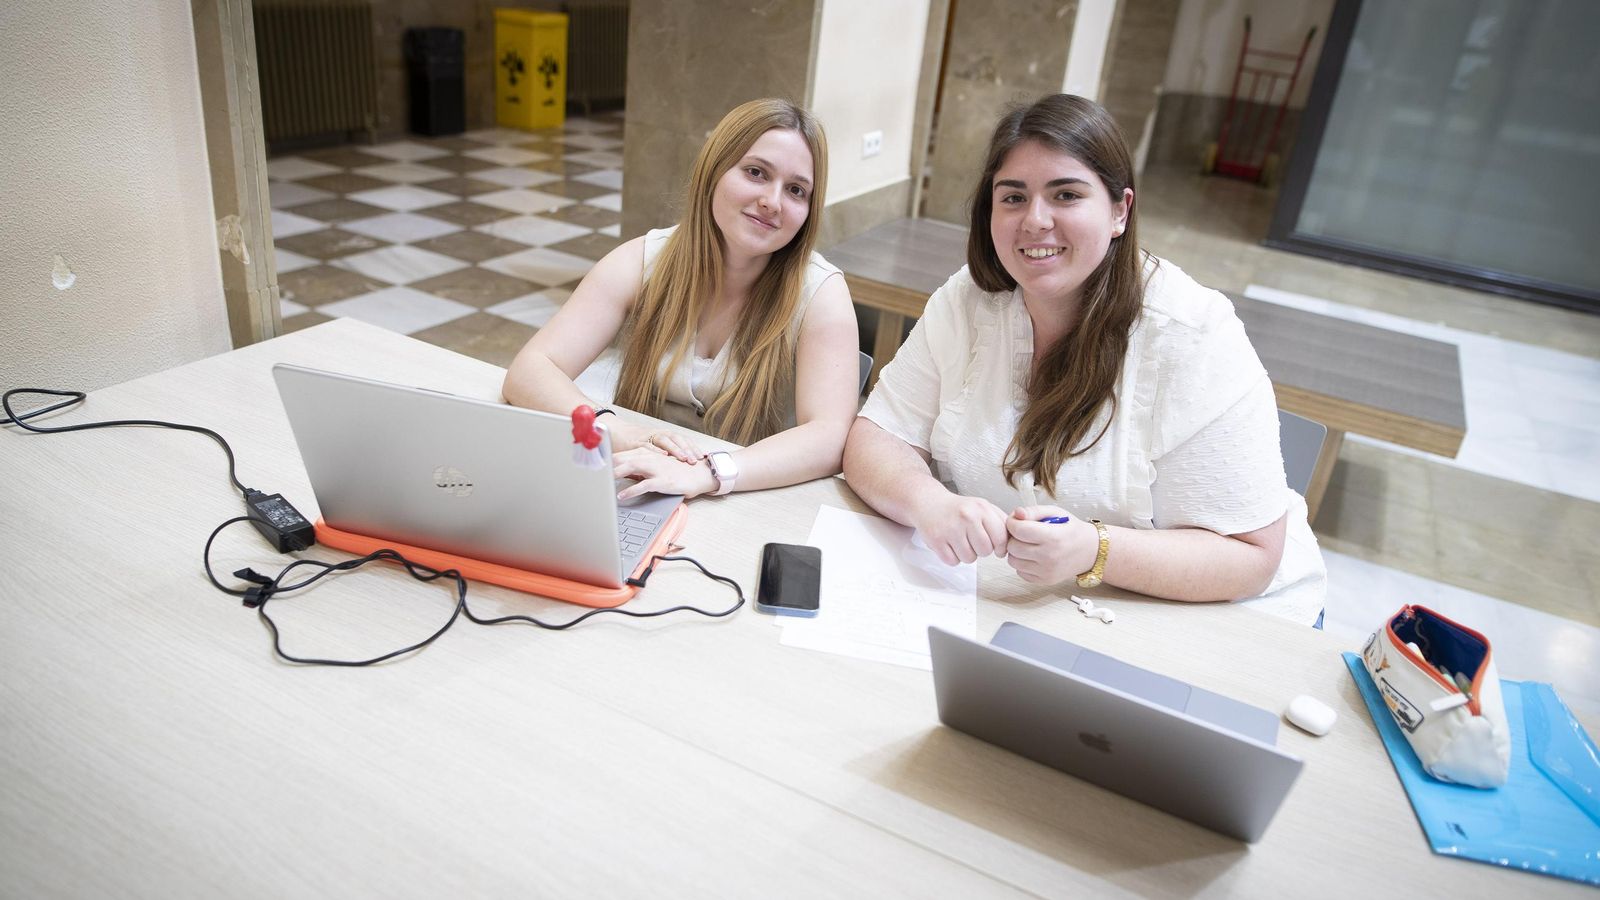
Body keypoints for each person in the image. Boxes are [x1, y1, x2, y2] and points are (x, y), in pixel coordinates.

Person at [842, 94, 1325, 624]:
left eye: (1066, 195)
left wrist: (1095, 550)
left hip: (1214, 617)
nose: (1035, 221)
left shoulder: (1194, 336)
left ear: (1120, 210)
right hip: (1027, 606)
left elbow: (1251, 557)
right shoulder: (968, 301)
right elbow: (877, 436)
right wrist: (927, 502)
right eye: (1013, 198)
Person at [503, 98, 860, 501]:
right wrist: (617, 432)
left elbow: (829, 438)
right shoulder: (645, 259)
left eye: (796, 190)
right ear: (714, 170)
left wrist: (712, 472)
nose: (773, 201)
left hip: (749, 498)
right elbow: (530, 370)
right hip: (634, 486)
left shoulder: (821, 294)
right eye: (756, 173)